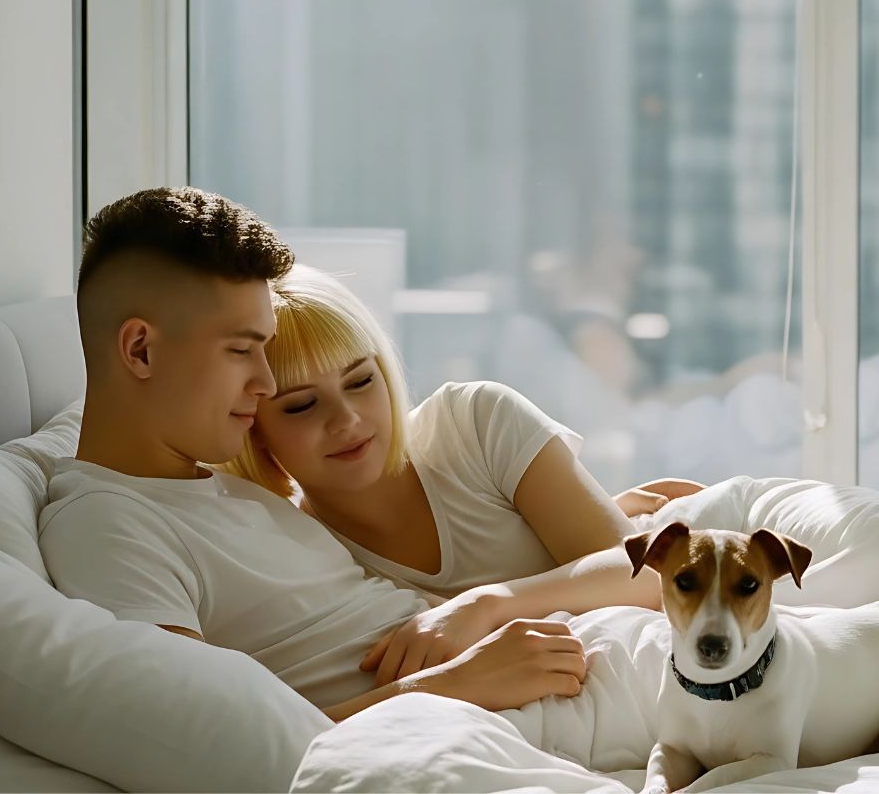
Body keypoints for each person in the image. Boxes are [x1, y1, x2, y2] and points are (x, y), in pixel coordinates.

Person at [35, 187, 655, 723]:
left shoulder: (232, 492)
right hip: (495, 707)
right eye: (241, 350)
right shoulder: (106, 523)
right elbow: (199, 745)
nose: (261, 384)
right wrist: (455, 686)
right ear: (140, 351)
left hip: (551, 670)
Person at [215, 264, 705, 687]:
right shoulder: (299, 556)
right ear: (255, 431)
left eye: (361, 380)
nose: (346, 419)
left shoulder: (474, 421)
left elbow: (651, 580)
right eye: (301, 405)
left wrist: (484, 605)